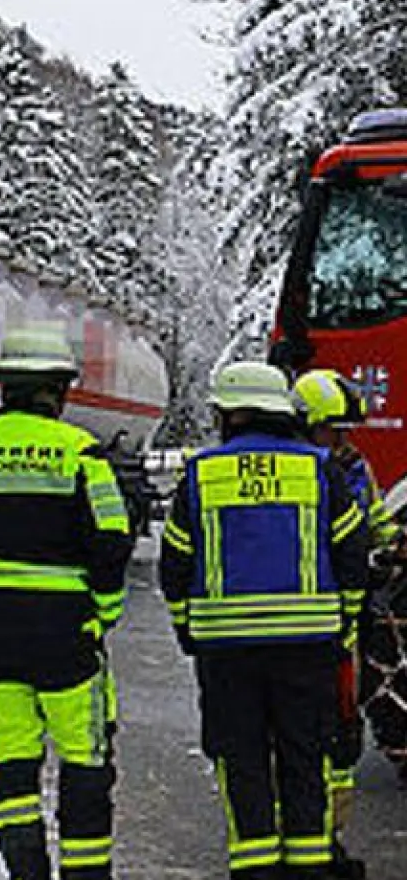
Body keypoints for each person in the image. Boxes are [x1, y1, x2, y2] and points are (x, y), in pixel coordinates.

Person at [0, 326, 133, 880]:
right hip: (66, 637)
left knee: (9, 760)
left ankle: (25, 871)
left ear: (3, 388)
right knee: (85, 759)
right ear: (57, 391)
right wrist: (103, 613)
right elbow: (111, 538)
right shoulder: (79, 453)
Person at [161, 362, 369, 880]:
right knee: (307, 757)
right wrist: (344, 624)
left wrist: (189, 629)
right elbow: (352, 553)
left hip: (226, 654)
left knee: (242, 760)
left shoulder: (202, 472)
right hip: (309, 649)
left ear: (232, 413)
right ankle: (309, 865)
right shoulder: (321, 469)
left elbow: (175, 564)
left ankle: (255, 866)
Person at [293, 368, 405, 877]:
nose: (342, 441)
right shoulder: (299, 473)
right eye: (331, 431)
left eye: (345, 431)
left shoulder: (354, 468)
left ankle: (325, 842)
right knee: (305, 736)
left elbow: (377, 521)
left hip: (349, 618)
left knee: (342, 738)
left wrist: (393, 547)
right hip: (312, 621)